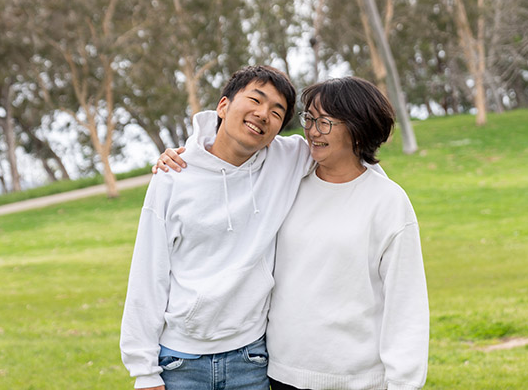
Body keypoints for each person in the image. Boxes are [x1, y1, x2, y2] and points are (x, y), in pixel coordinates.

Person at [154, 76, 429, 390]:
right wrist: (189, 156)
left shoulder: (388, 202)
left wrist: (404, 383)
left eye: (324, 122)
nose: (312, 131)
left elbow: (406, 307)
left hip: (357, 380)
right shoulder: (288, 181)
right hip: (281, 374)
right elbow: (225, 157)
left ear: (359, 128)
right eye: (309, 119)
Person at [120, 65, 314, 390]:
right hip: (180, 362)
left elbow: (344, 154)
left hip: (251, 359)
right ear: (223, 106)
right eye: (256, 99)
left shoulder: (287, 159)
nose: (263, 114)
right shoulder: (173, 176)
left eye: (277, 111)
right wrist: (144, 373)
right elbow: (148, 273)